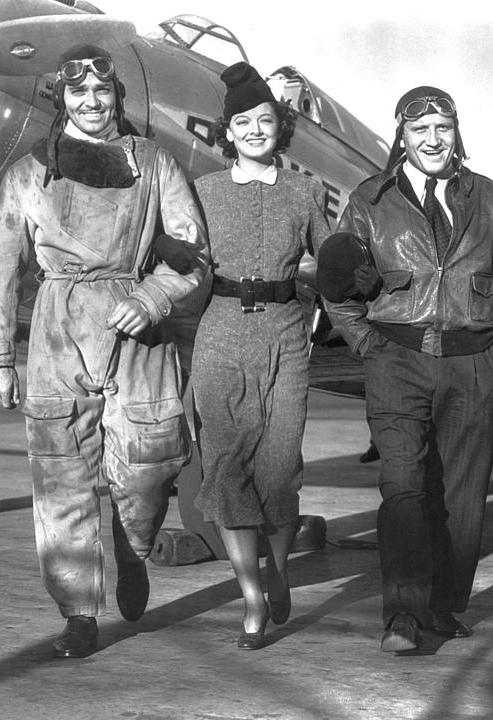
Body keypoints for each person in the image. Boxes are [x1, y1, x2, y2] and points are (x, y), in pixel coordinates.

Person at [0, 44, 209, 659]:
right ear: (64, 99)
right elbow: (1, 267)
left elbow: (192, 250)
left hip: (136, 328)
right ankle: (79, 611)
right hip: (58, 327)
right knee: (60, 478)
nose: (91, 101)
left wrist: (155, 295)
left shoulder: (155, 163)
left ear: (116, 97)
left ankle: (134, 550)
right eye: (78, 92)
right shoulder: (29, 173)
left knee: (151, 463)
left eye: (102, 92)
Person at [320, 86, 493, 652]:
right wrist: (370, 348)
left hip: (471, 363)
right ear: (402, 137)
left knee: (462, 498)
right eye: (420, 131)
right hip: (398, 360)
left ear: (456, 132)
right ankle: (403, 616)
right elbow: (336, 287)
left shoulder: (489, 200)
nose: (433, 140)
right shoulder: (369, 200)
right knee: (404, 488)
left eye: (443, 128)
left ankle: (441, 607)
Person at [191, 62, 331, 650]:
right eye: (242, 122)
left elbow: (331, 259)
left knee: (279, 467)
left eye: (265, 120)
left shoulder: (306, 191)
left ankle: (278, 569)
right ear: (228, 131)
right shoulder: (202, 193)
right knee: (225, 467)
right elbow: (180, 260)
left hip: (286, 335)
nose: (254, 130)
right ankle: (250, 595)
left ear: (282, 127)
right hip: (219, 335)